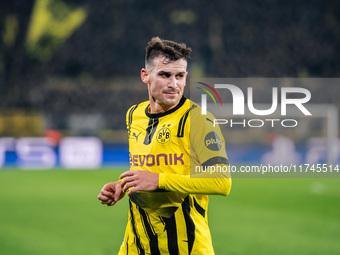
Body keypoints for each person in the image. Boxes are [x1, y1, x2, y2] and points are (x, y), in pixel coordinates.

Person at [98, 37, 231, 254]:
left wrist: (159, 181)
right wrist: (123, 185)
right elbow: (149, 165)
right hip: (135, 246)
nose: (174, 84)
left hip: (185, 247)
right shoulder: (134, 115)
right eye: (165, 75)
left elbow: (221, 182)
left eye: (180, 76)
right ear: (145, 76)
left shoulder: (199, 120)